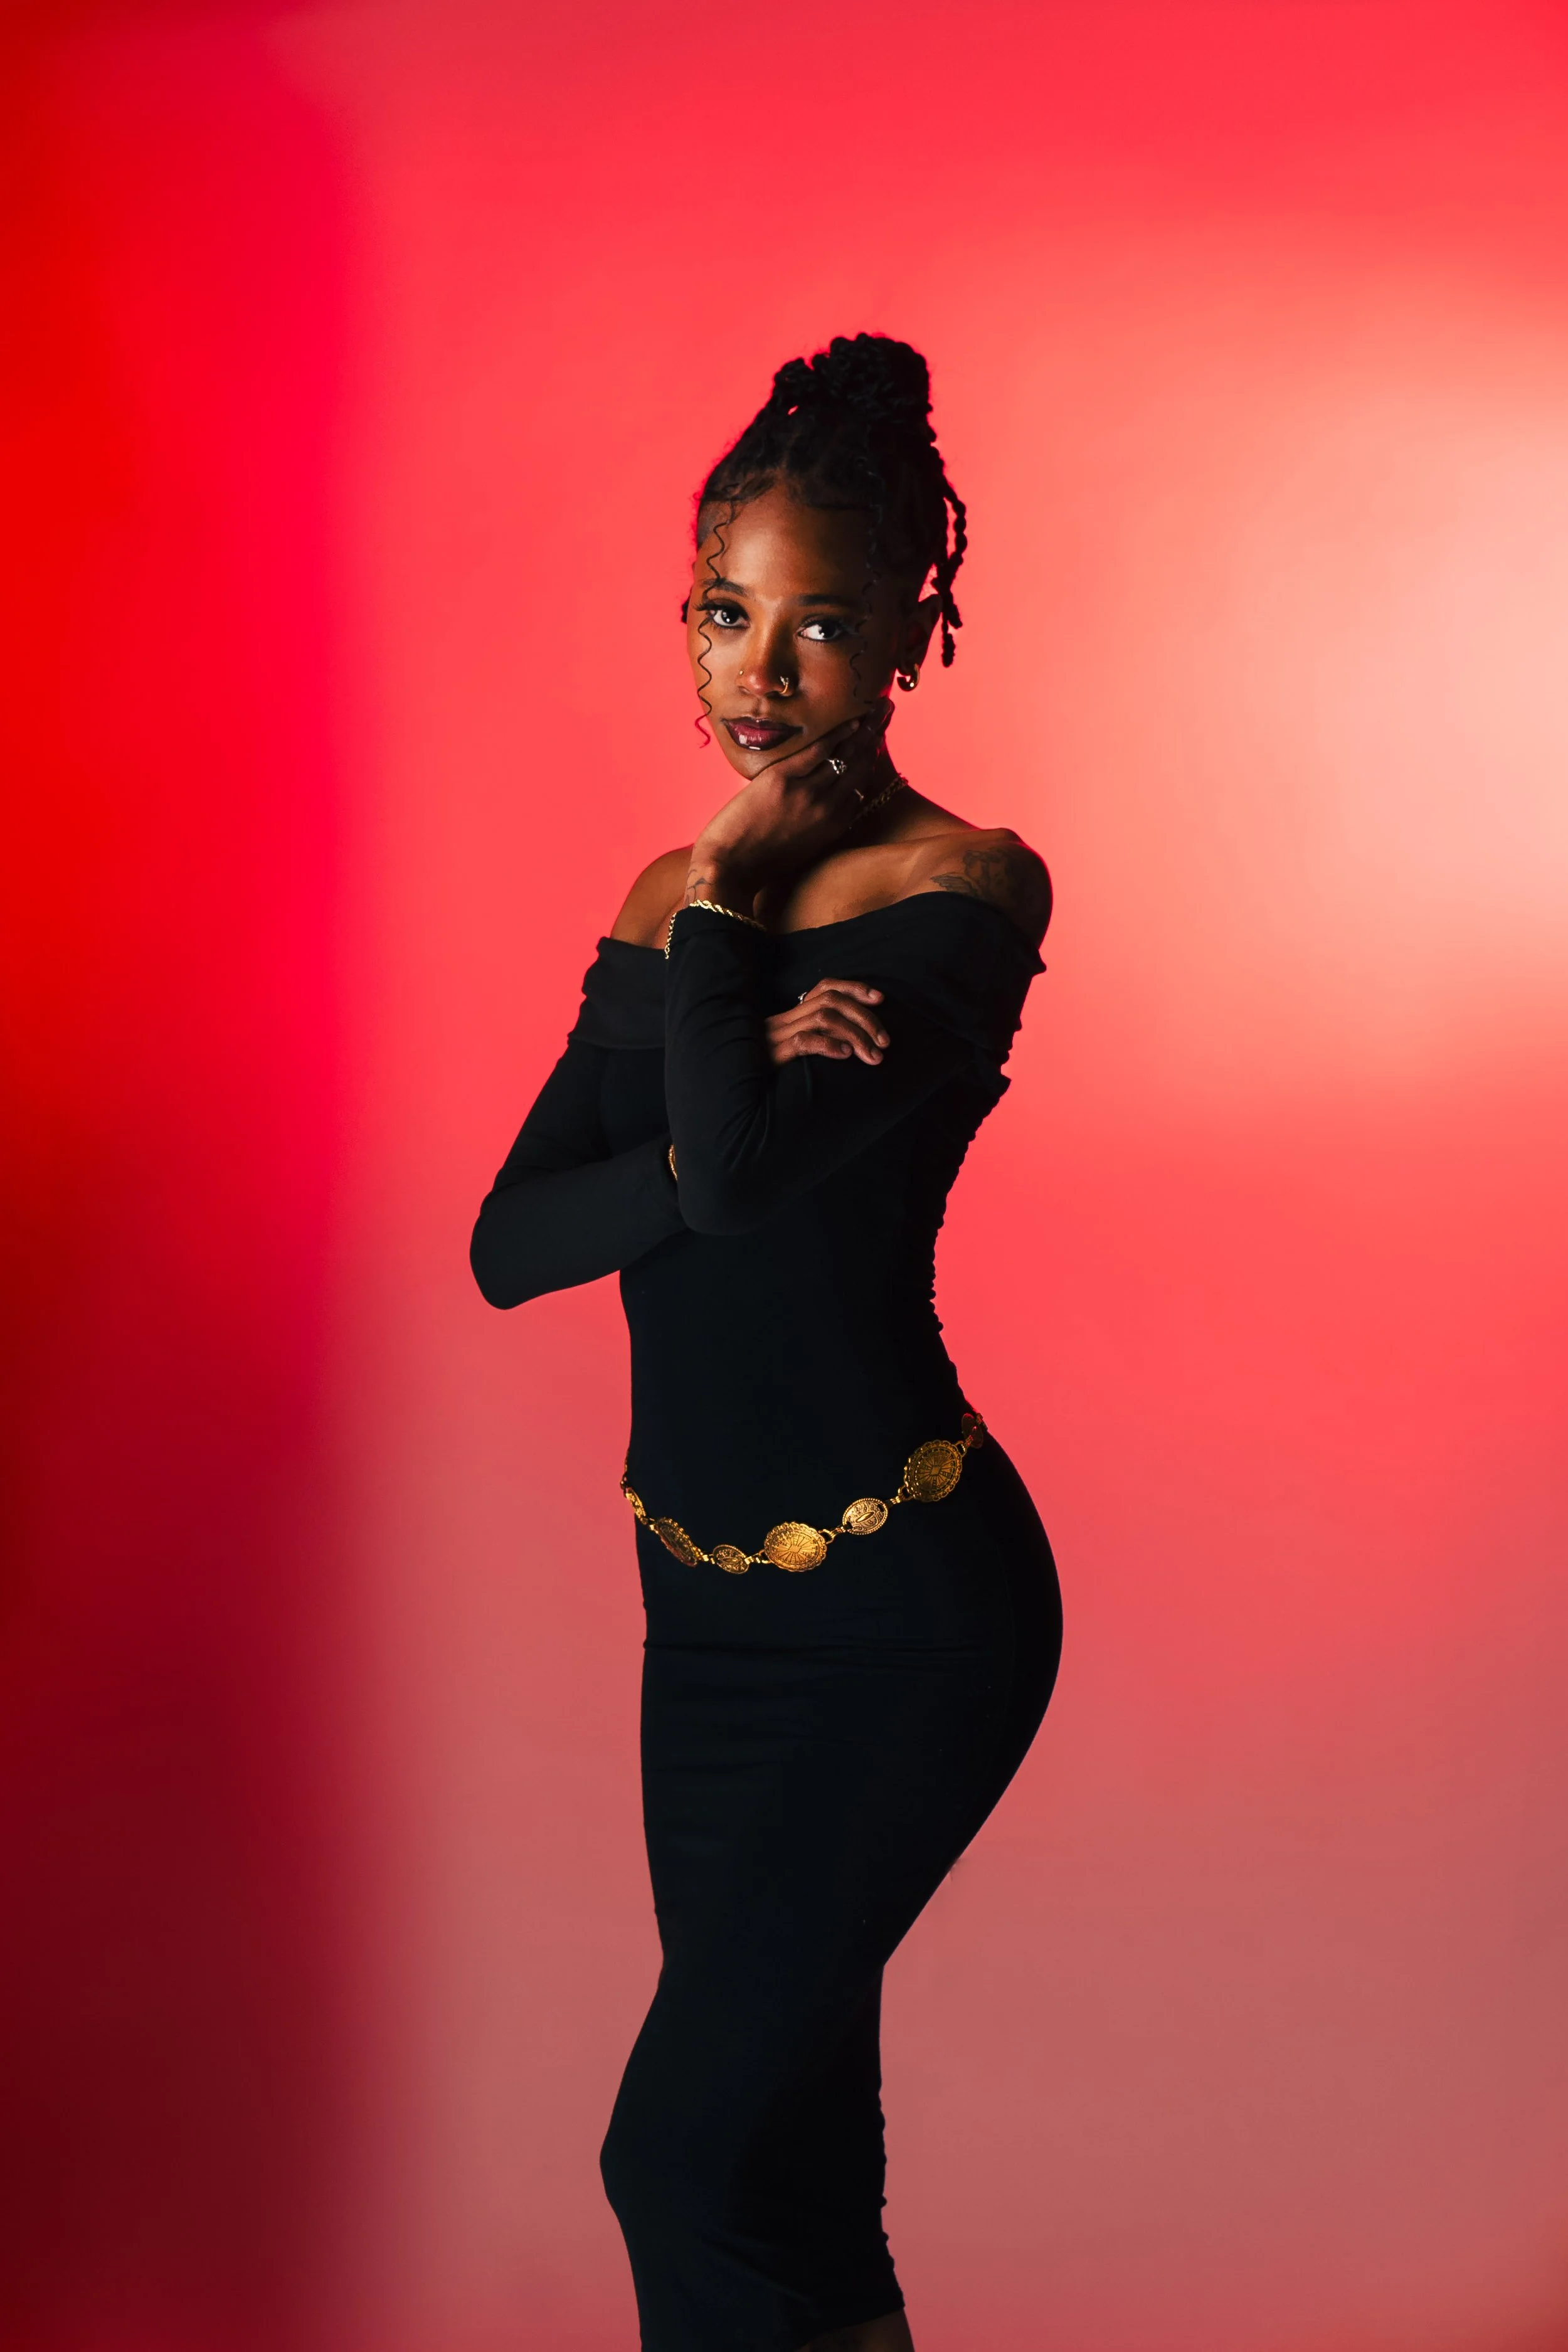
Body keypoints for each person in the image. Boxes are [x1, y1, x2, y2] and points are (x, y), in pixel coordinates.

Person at [471, 332, 1061, 2352]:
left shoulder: (962, 888)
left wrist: (729, 903)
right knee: (788, 2166)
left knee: (681, 2156)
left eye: (818, 623)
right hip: (704, 1619)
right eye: (724, 612)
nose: (759, 670)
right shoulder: (666, 902)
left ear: (910, 629)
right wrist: (710, 1015)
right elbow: (510, 1241)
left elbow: (724, 1192)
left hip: (903, 1612)